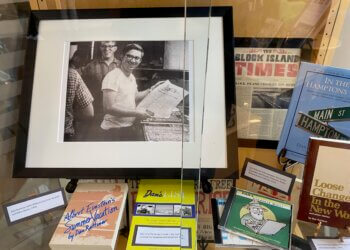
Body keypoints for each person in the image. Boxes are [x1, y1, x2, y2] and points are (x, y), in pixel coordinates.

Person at [100, 43, 155, 141]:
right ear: (122, 56)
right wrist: (137, 113)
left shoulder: (131, 77)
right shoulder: (112, 76)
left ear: (140, 60)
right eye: (129, 56)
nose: (133, 60)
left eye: (137, 58)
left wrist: (152, 90)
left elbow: (134, 97)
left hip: (127, 127)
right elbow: (109, 108)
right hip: (113, 131)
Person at [80, 41, 121, 140]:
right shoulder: (90, 66)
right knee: (95, 138)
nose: (107, 49)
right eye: (104, 46)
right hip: (96, 111)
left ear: (115, 48)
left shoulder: (121, 66)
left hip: (116, 112)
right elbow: (83, 89)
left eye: (110, 46)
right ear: (100, 48)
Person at [64, 50, 94, 141]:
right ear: (76, 58)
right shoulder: (73, 74)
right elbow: (89, 113)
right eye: (83, 62)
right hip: (66, 131)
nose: (83, 66)